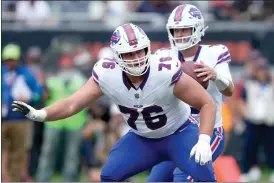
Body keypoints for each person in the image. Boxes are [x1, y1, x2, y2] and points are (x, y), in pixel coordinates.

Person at [12, 23, 217, 182]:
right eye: (129, 53)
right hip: (142, 139)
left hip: (179, 134)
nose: (137, 58)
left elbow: (207, 103)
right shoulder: (107, 73)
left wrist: (204, 139)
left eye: (140, 51)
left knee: (205, 177)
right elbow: (72, 104)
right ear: (117, 56)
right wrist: (41, 114)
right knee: (109, 175)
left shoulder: (164, 70)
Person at [147, 4, 234, 182]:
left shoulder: (215, 53)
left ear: (197, 29)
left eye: (184, 30)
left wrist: (215, 75)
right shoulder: (163, 56)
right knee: (155, 179)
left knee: (184, 177)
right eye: (175, 30)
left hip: (208, 131)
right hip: (176, 134)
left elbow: (229, 90)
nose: (179, 35)